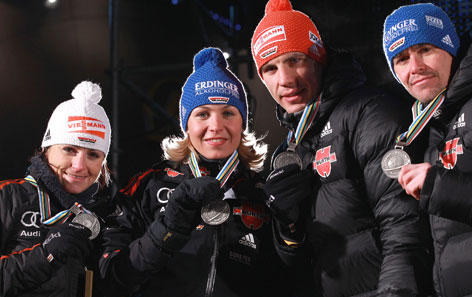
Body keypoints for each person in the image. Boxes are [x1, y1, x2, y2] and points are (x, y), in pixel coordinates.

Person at [250, 0, 432, 296]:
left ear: (319, 59)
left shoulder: (370, 112)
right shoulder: (289, 149)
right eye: (270, 68)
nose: (285, 80)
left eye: (295, 60)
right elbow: (298, 270)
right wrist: (287, 230)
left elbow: (403, 223)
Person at [99, 47, 291, 297]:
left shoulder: (263, 193)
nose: (216, 126)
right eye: (202, 114)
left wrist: (293, 228)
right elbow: (112, 277)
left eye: (228, 113)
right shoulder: (148, 185)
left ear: (242, 123)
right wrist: (170, 226)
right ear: (186, 124)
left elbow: (283, 282)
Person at [382, 3, 472, 296]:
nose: (415, 68)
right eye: (401, 59)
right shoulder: (427, 126)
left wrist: (440, 187)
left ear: (451, 49)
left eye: (425, 50)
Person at [0, 81, 113, 296]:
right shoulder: (7, 198)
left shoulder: (105, 214)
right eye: (69, 149)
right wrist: (45, 256)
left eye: (93, 155)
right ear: (47, 149)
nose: (79, 166)